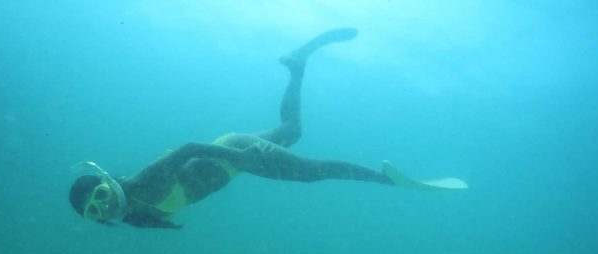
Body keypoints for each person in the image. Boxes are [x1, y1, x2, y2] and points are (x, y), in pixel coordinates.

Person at [69, 28, 466, 229]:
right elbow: (169, 218)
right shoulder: (133, 216)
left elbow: (189, 146)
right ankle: (297, 63)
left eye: (99, 195)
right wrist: (167, 226)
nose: (102, 206)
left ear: (108, 180)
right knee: (291, 130)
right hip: (233, 158)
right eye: (93, 211)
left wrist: (238, 156)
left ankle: (387, 181)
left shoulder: (142, 184)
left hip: (234, 155)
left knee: (311, 173)